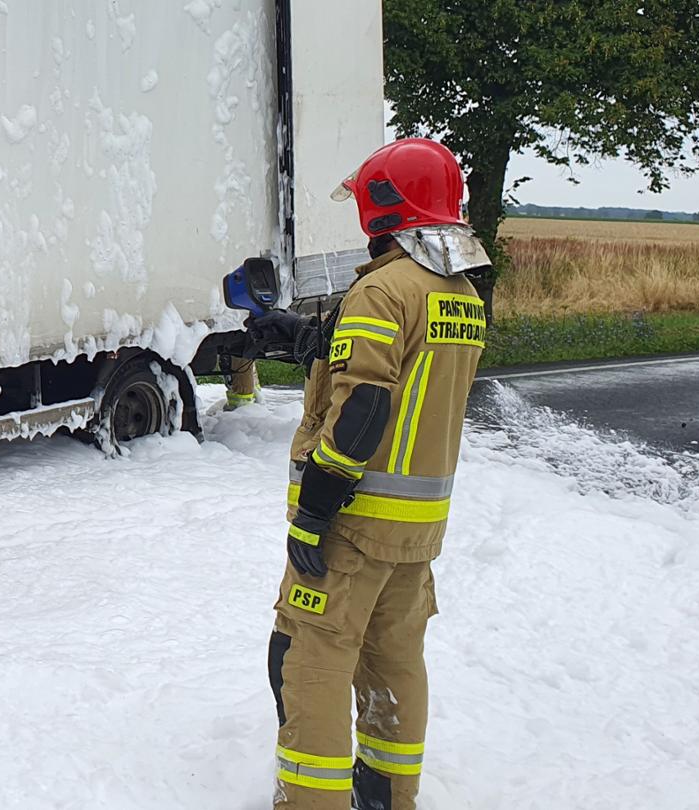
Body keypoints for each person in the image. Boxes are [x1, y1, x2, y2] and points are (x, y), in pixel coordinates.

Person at [243, 137, 490, 810]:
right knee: (393, 661)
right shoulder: (460, 291)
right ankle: (386, 794)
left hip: (350, 526)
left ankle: (313, 800)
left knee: (307, 659)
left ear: (383, 208)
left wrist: (317, 512)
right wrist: (310, 337)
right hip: (415, 533)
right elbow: (408, 374)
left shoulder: (381, 291)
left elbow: (365, 408)